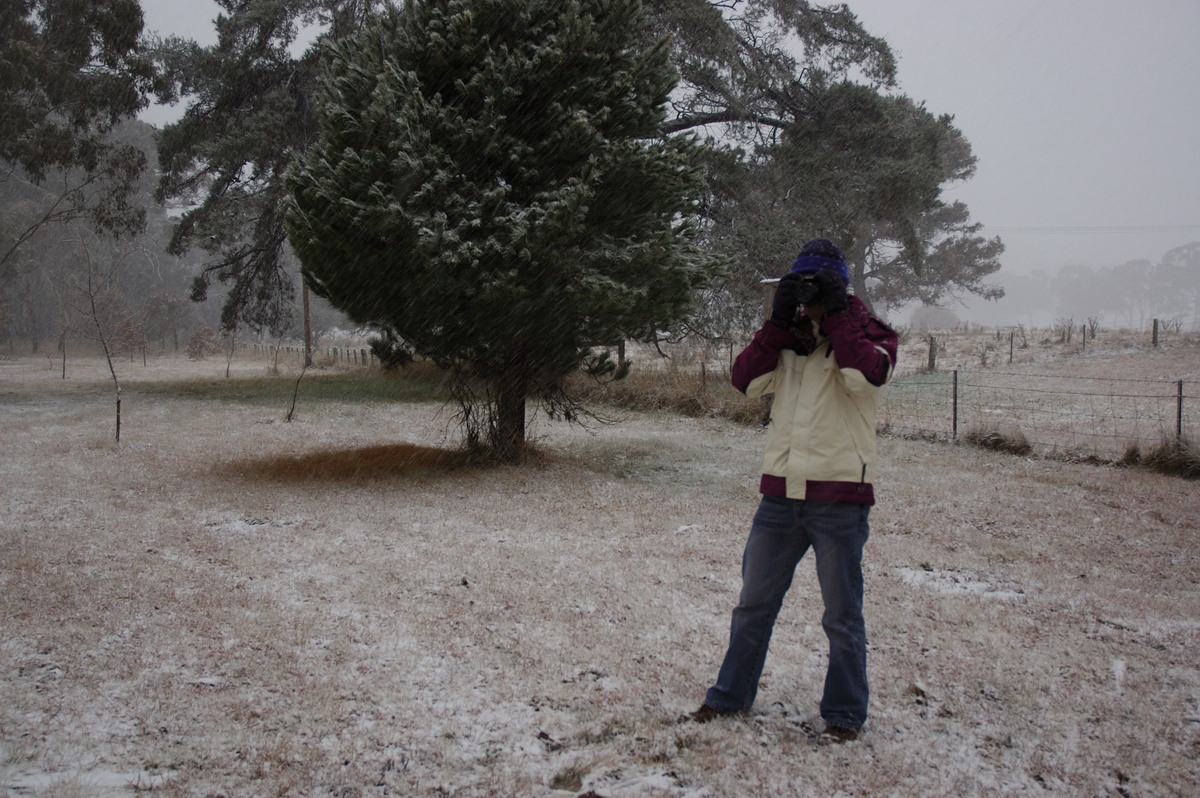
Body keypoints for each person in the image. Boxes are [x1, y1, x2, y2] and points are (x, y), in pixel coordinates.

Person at [688, 238, 898, 742]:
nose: (809, 296)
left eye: (816, 285)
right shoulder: (790, 336)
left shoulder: (872, 333)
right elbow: (744, 381)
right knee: (753, 604)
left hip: (840, 496)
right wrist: (776, 325)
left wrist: (840, 317)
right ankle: (730, 696)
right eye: (800, 285)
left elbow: (864, 377)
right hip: (780, 497)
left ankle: (845, 714)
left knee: (841, 614)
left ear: (840, 287)